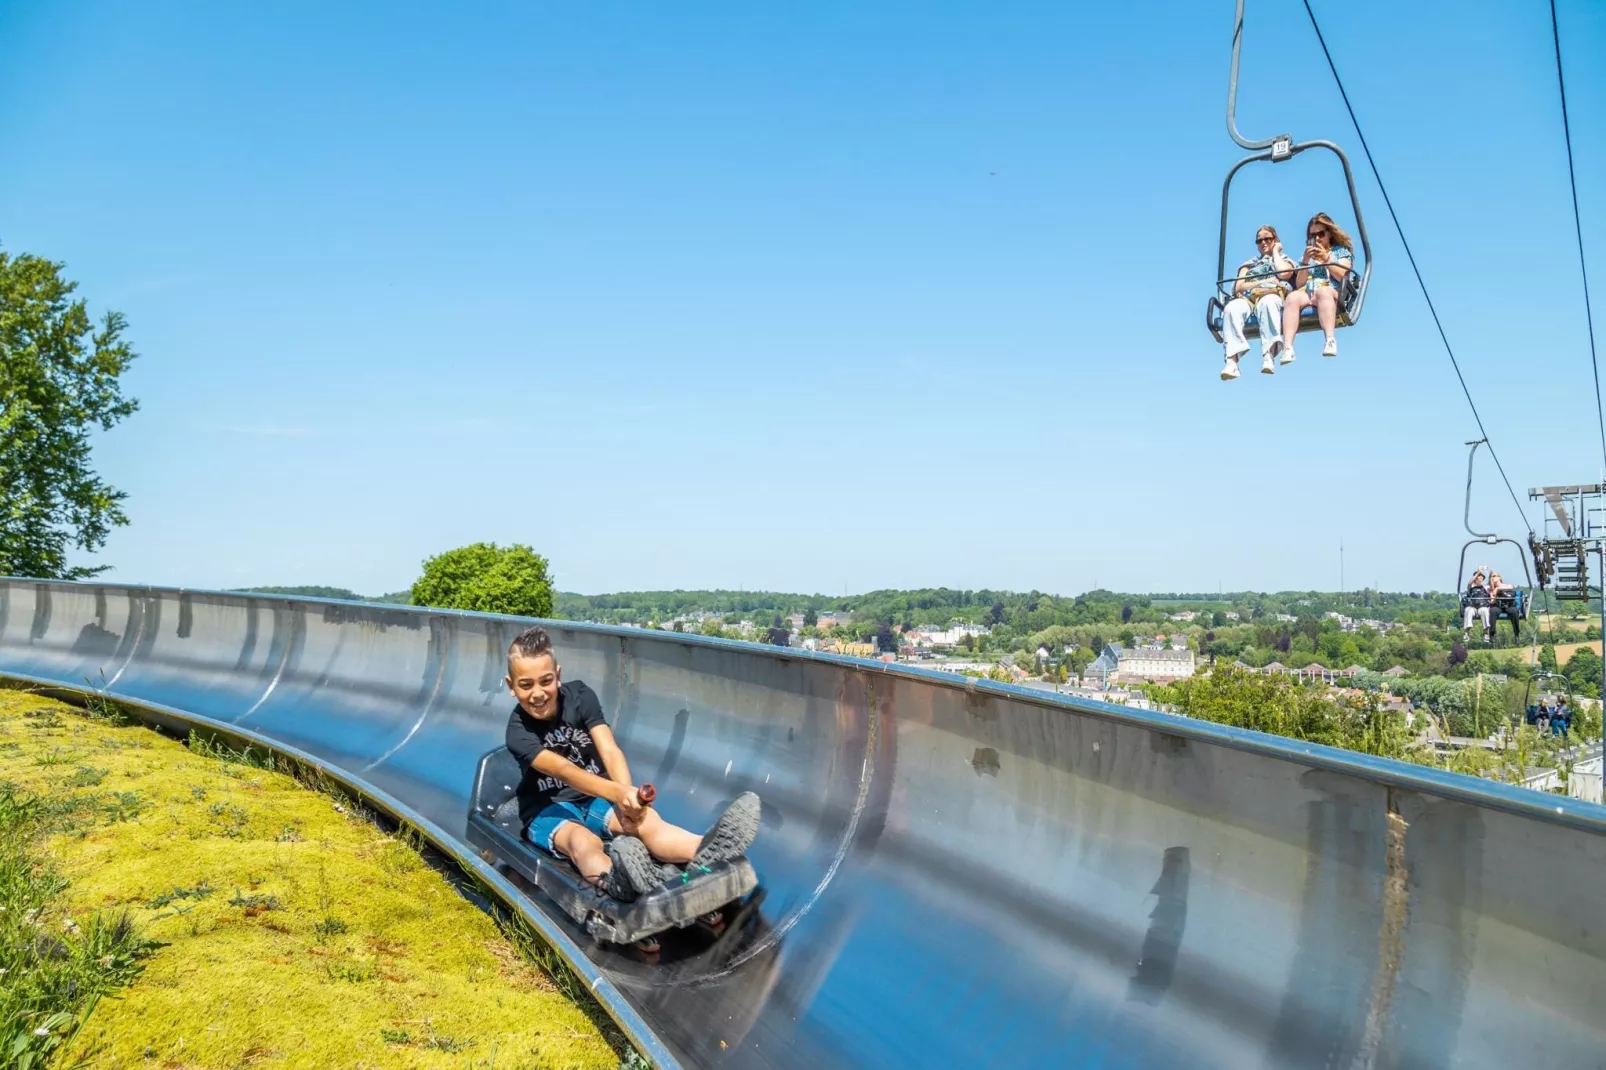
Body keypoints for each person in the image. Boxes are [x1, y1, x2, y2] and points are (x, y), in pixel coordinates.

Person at [503, 625, 761, 904]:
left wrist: (628, 799)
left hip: (595, 797)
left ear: (558, 676)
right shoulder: (518, 732)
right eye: (526, 685)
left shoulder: (580, 696)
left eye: (546, 681)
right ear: (511, 686)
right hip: (547, 808)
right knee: (582, 842)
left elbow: (610, 751)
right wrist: (617, 794)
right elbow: (566, 771)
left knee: (648, 822)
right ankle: (616, 880)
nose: (538, 693)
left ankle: (708, 851)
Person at [1220, 225, 1298, 380]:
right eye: (1259, 240)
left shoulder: (1285, 260)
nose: (1263, 243)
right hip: (1248, 298)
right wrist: (1267, 280)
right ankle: (1232, 362)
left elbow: (1284, 274)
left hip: (1272, 294)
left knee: (1268, 303)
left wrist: (1276, 252)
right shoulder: (1249, 264)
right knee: (1231, 309)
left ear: (1275, 240)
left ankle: (1268, 355)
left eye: (1268, 239)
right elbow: (1239, 287)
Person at [1281, 212, 1355, 361]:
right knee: (1292, 297)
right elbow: (1300, 283)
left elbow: (1342, 274)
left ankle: (1330, 340)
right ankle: (1288, 347)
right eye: (1312, 236)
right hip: (1308, 291)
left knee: (1323, 292)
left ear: (1329, 234)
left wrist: (1326, 258)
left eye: (1320, 234)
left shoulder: (1340, 252)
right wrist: (1306, 262)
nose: (1317, 239)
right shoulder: (1306, 257)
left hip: (1331, 289)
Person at [1489, 572, 1522, 642]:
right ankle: (1492, 634)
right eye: (1491, 577)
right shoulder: (1492, 589)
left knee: (1515, 611)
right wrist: (1493, 593)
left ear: (1499, 578)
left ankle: (1516, 634)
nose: (1493, 577)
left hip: (1509, 605)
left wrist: (1498, 588)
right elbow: (1492, 601)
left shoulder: (1507, 585)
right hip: (1499, 606)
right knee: (1493, 611)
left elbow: (1511, 587)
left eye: (1494, 576)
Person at [1460, 570, 1492, 643]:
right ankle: (1466, 632)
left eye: (1481, 577)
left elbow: (1491, 586)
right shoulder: (1471, 587)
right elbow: (1470, 582)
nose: (1479, 579)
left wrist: (1490, 575)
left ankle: (1485, 632)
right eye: (1477, 577)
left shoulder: (1485, 587)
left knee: (1485, 611)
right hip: (1472, 606)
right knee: (1468, 611)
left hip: (1482, 606)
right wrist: (1478, 572)